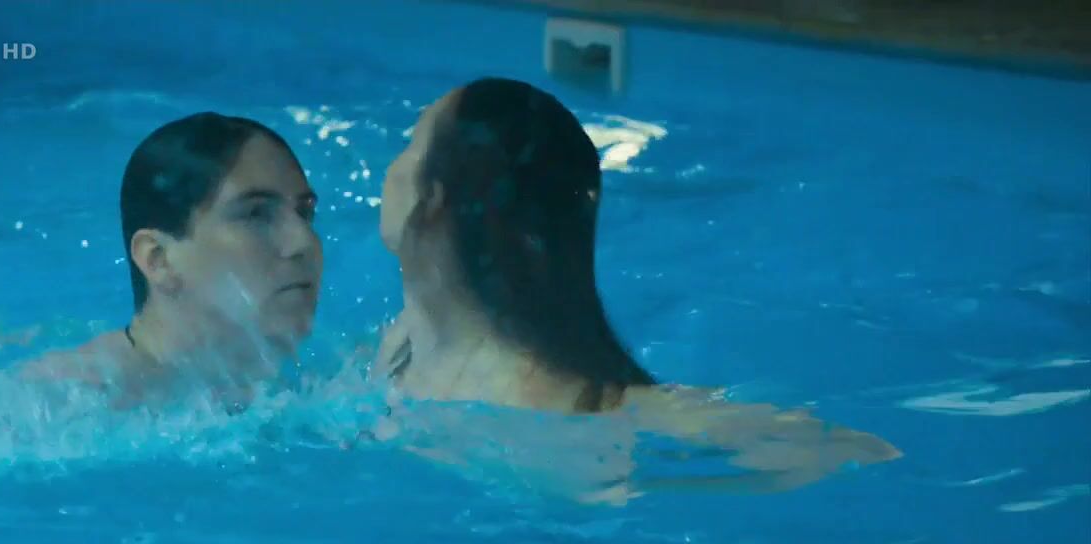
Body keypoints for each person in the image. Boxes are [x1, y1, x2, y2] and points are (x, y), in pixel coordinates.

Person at [373, 78, 900, 498]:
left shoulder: (573, 410)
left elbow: (857, 453)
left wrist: (662, 488)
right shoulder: (404, 346)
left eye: (410, 144)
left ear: (431, 199)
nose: (392, 166)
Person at [20, 112, 323, 410]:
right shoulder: (71, 400)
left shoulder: (302, 381)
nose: (305, 241)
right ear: (158, 259)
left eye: (304, 213)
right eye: (256, 214)